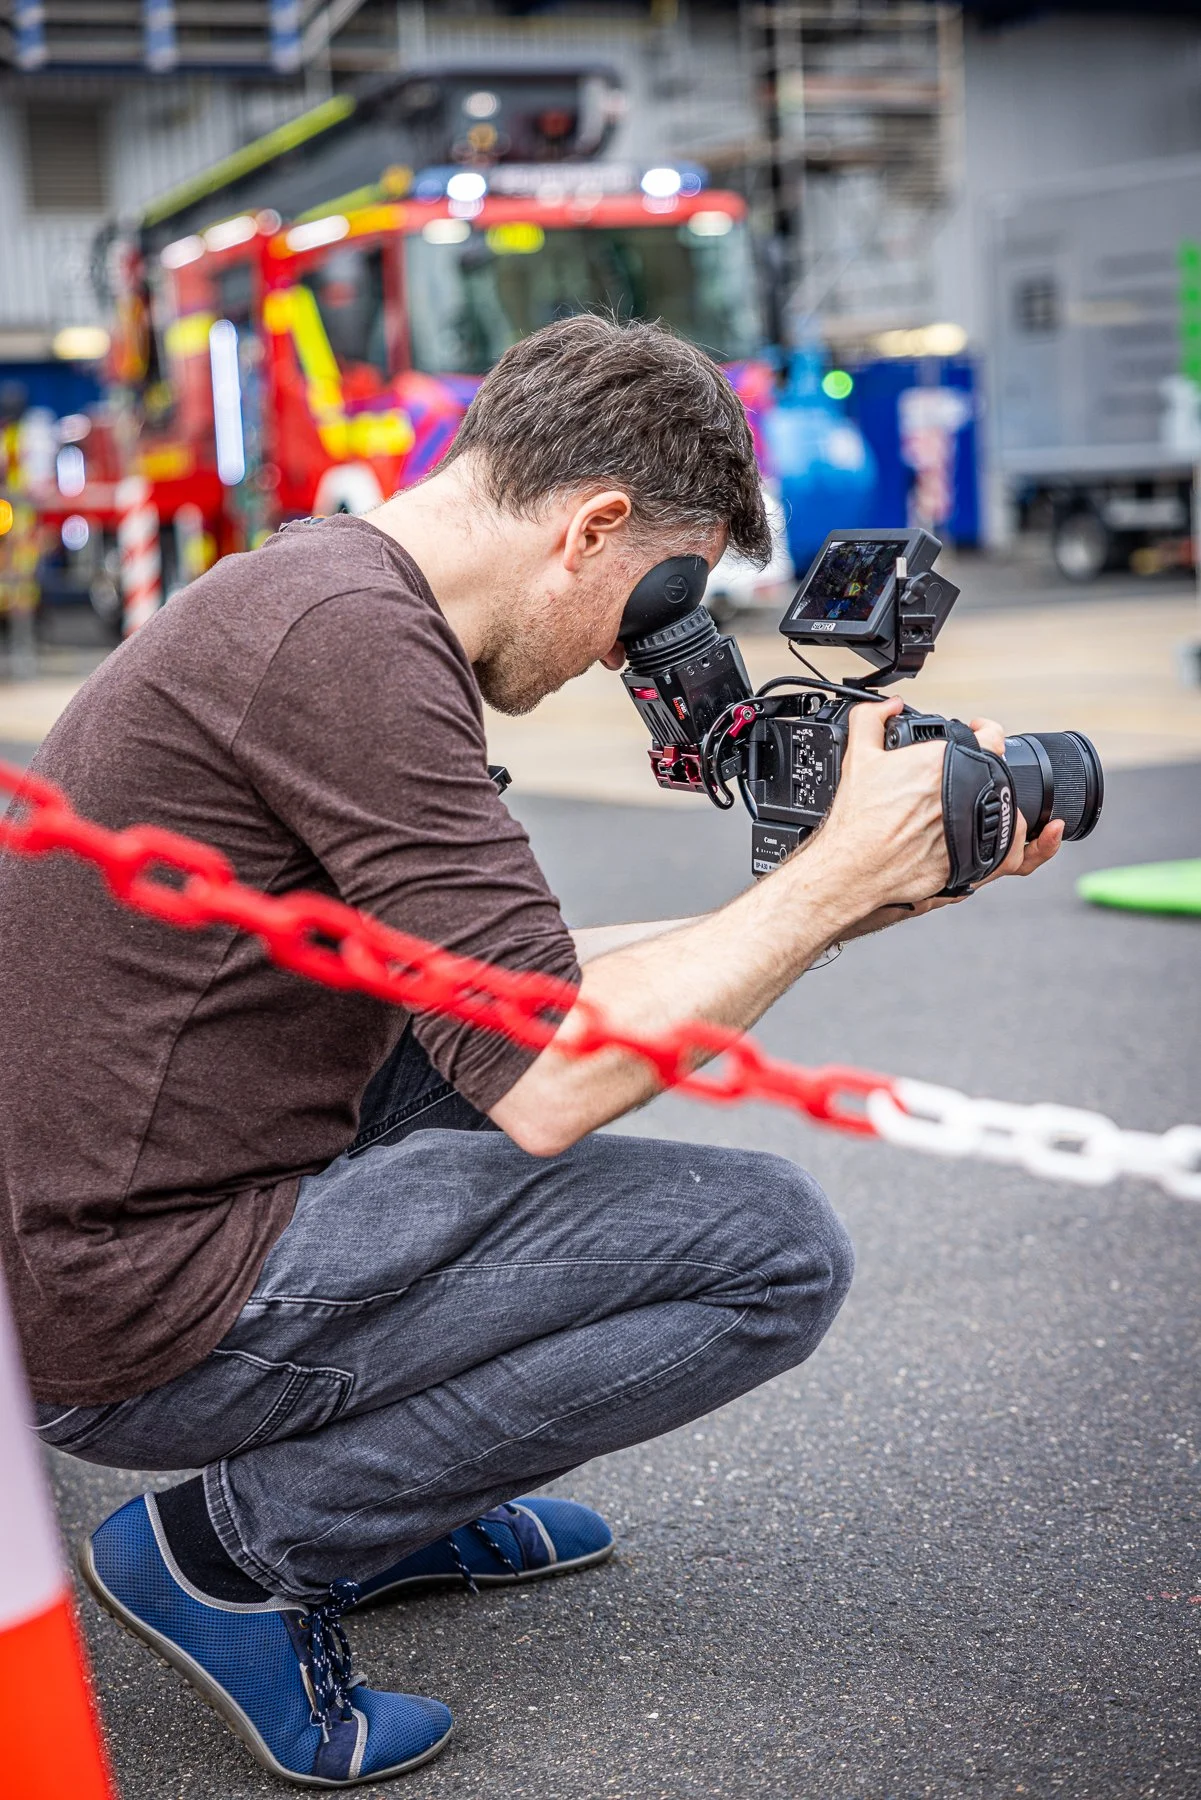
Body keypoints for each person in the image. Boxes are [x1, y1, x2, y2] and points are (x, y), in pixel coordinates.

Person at [0, 315, 1061, 1789]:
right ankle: (236, 1551)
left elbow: (520, 991)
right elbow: (556, 1070)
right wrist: (821, 887)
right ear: (593, 526)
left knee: (534, 1078)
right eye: (651, 606)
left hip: (131, 1208)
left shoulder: (327, 586)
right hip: (140, 1300)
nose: (634, 659)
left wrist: (853, 889)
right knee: (771, 1252)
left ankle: (396, 1506)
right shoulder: (354, 647)